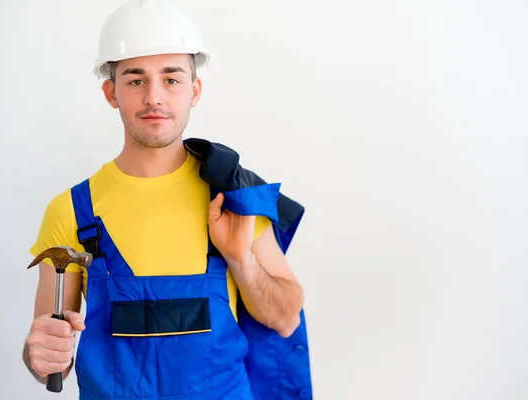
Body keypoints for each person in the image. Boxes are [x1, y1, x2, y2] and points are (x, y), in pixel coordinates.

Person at [22, 0, 313, 399]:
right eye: (136, 80)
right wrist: (39, 354)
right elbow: (52, 357)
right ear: (111, 92)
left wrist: (240, 258)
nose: (154, 97)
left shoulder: (231, 195)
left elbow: (284, 319)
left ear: (194, 90)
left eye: (171, 79)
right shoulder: (72, 211)